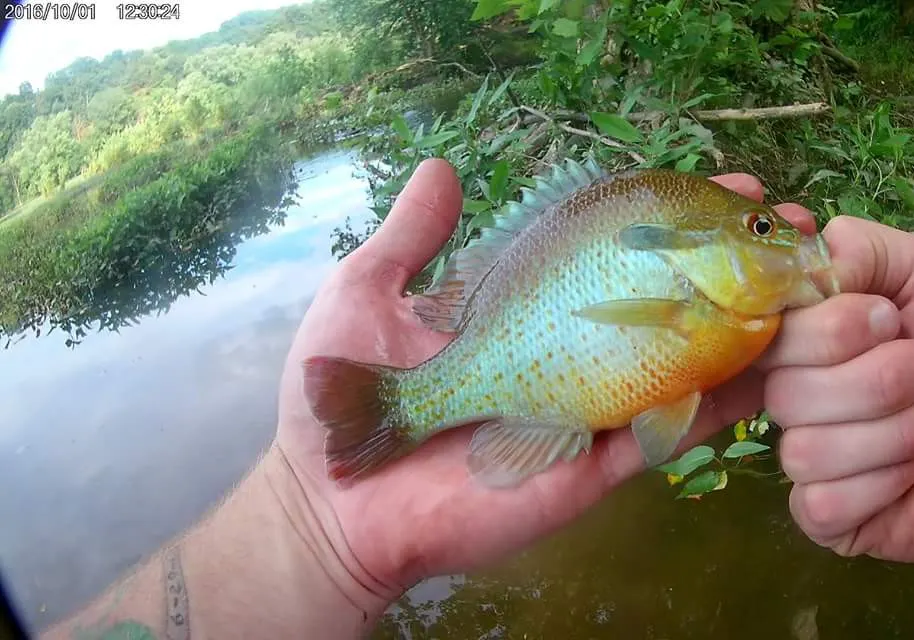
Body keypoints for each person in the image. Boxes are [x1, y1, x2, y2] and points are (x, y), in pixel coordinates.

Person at [32, 159, 914, 639]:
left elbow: (661, 420)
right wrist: (306, 532)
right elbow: (655, 416)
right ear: (700, 255)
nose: (782, 241)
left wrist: (311, 536)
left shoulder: (737, 323)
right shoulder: (710, 309)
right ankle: (406, 408)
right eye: (760, 233)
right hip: (521, 375)